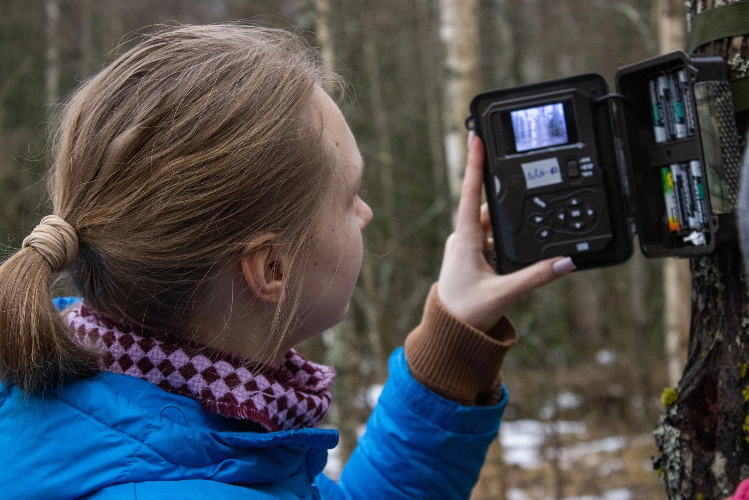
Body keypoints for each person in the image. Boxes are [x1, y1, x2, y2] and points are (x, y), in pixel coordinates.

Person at [0, 25, 575, 499]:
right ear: (271, 268)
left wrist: (455, 330)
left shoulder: (98, 400)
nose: (367, 213)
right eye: (351, 196)